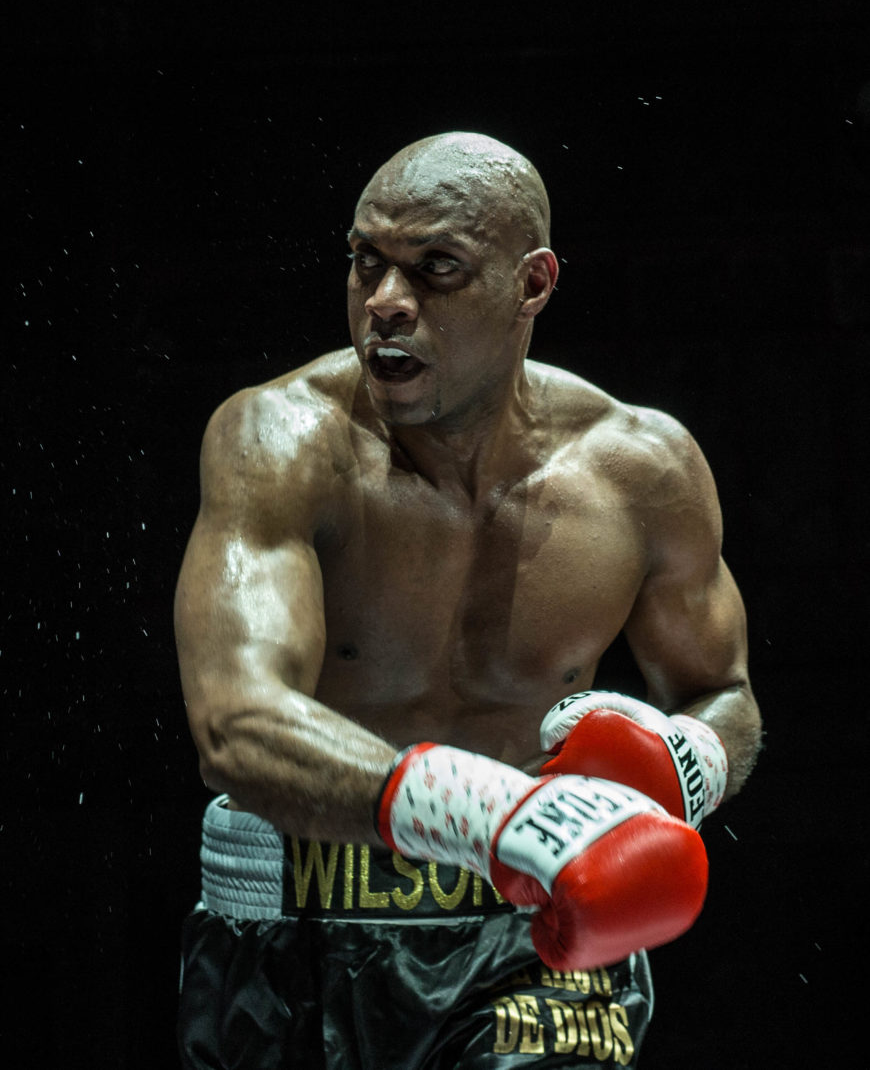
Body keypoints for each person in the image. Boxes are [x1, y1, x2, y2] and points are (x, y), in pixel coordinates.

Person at [174, 131, 761, 1069]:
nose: (384, 301)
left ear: (533, 284)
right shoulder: (277, 442)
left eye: (435, 268)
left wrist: (684, 760)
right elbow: (234, 725)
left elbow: (721, 690)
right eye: (366, 261)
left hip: (536, 949)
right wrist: (498, 818)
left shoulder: (642, 470)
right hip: (296, 933)